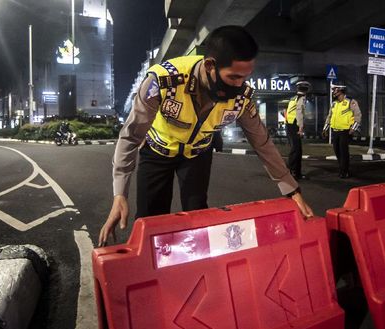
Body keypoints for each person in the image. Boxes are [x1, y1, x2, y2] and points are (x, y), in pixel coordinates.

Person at [99, 26, 314, 246]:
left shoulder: (241, 98)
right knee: (150, 222)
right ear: (210, 65)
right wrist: (119, 194)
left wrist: (292, 191)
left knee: (198, 220)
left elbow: (262, 143)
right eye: (233, 77)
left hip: (197, 154)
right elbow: (131, 135)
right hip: (156, 151)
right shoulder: (164, 82)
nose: (240, 85)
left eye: (245, 77)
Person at [322, 82, 361, 178]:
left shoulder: (351, 101)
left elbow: (358, 115)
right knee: (337, 151)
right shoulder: (334, 104)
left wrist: (353, 128)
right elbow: (329, 116)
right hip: (335, 131)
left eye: (335, 89)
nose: (333, 92)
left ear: (341, 90)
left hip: (345, 131)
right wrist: (325, 129)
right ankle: (342, 168)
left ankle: (344, 171)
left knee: (343, 151)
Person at [285, 81, 311, 180]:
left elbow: (287, 111)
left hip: (289, 125)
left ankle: (296, 172)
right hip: (294, 125)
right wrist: (300, 127)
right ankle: (293, 172)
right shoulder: (302, 98)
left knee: (297, 150)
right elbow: (299, 113)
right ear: (307, 90)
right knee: (296, 150)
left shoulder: (293, 98)